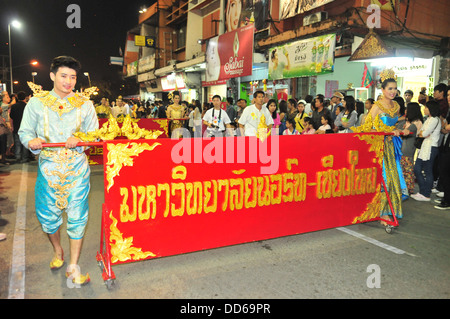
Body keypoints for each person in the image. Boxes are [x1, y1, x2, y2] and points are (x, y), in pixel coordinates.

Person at [18, 55, 99, 286]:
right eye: (64, 76)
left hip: (77, 169)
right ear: (53, 76)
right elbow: (24, 132)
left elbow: (94, 134)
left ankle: (73, 267)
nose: (69, 81)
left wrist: (81, 138)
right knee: (48, 218)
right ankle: (57, 250)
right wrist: (31, 141)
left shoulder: (85, 104)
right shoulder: (36, 103)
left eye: (73, 77)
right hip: (49, 168)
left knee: (78, 216)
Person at [352, 69, 406, 226]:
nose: (393, 91)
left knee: (394, 177)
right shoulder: (377, 107)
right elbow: (367, 127)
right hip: (379, 146)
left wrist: (397, 130)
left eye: (395, 88)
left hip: (392, 146)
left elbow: (395, 123)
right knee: (382, 179)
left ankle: (390, 210)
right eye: (390, 88)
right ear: (382, 90)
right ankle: (380, 212)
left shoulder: (396, 105)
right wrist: (386, 131)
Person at [412, 100, 442, 202]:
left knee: (428, 170)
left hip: (431, 147)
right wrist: (423, 133)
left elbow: (423, 134)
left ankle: (426, 193)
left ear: (431, 109)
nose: (424, 109)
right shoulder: (428, 119)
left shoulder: (434, 119)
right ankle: (423, 191)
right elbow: (420, 132)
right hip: (425, 147)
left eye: (426, 108)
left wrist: (423, 133)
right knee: (417, 168)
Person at [400, 102, 423, 195]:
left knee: (408, 169)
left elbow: (405, 132)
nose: (405, 111)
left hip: (408, 148)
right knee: (405, 168)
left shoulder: (416, 123)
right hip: (406, 147)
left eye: (407, 109)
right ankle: (405, 187)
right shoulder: (412, 122)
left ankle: (408, 188)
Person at [434, 86, 450, 210]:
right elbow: (445, 127)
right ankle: (446, 197)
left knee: (445, 171)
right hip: (446, 143)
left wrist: (446, 127)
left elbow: (447, 127)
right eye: (448, 95)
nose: (448, 98)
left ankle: (447, 201)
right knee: (444, 171)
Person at [9, 91, 30, 163]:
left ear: (17, 97)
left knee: (17, 143)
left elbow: (11, 117)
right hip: (25, 128)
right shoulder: (27, 106)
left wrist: (12, 126)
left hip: (16, 127)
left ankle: (18, 156)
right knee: (25, 143)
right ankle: (25, 158)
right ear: (25, 97)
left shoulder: (14, 106)